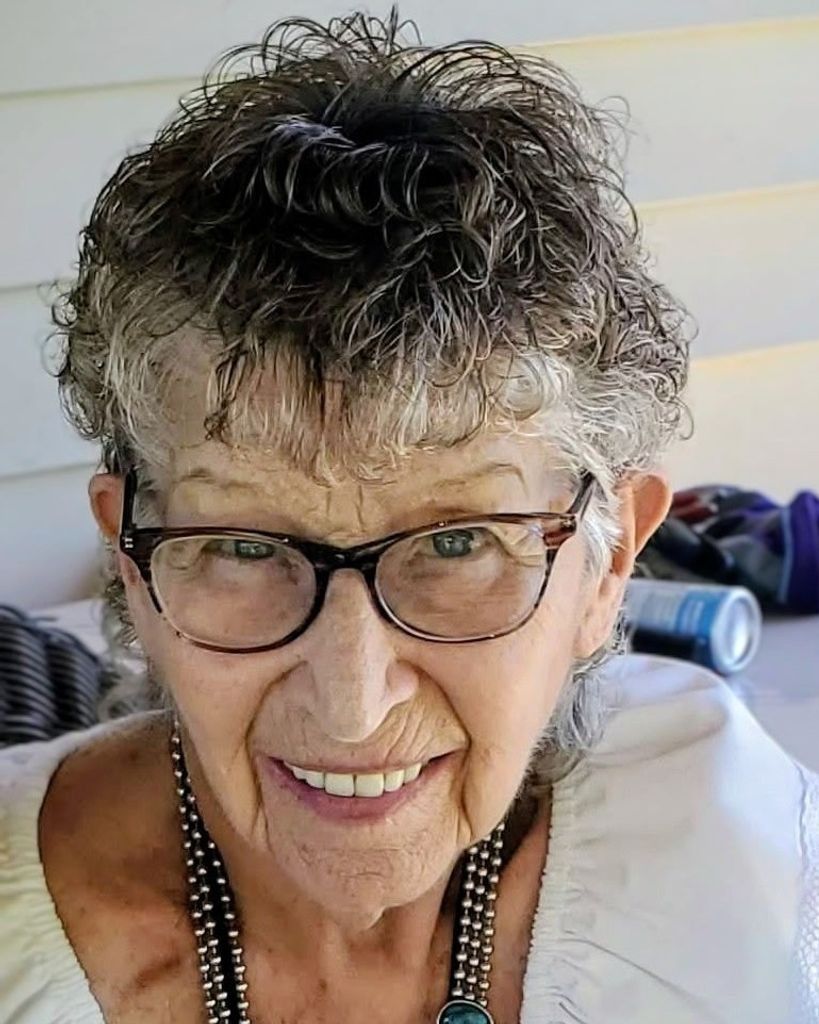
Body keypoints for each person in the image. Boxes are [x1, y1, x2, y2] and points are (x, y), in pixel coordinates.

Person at [1, 12, 816, 1024]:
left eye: (458, 542)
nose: (351, 705)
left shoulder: (750, 885)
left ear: (608, 566)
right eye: (245, 546)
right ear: (130, 560)